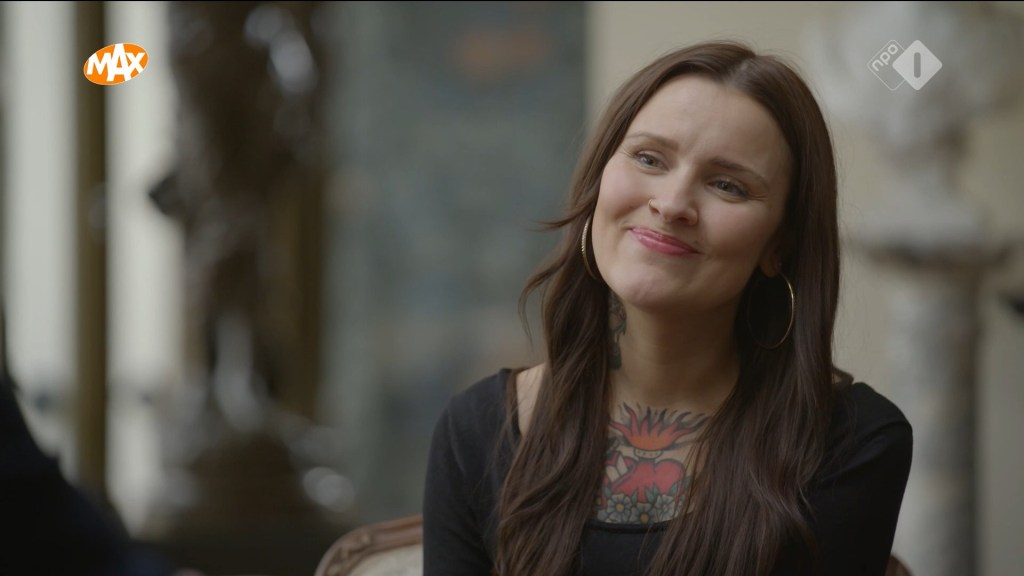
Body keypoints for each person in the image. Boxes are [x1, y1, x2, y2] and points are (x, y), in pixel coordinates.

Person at [422, 40, 913, 576]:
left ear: (779, 246)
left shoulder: (853, 444)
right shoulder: (476, 431)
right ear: (599, 182)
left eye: (727, 185)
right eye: (649, 158)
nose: (673, 203)